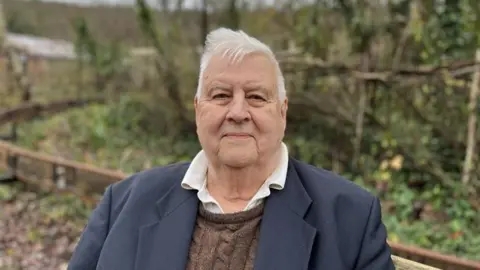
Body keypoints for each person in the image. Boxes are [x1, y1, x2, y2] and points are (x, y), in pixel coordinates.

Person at [68, 28, 395, 270]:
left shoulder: (350, 218)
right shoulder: (122, 203)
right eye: (221, 95)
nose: (237, 112)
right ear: (198, 109)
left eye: (255, 97)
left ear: (282, 111)